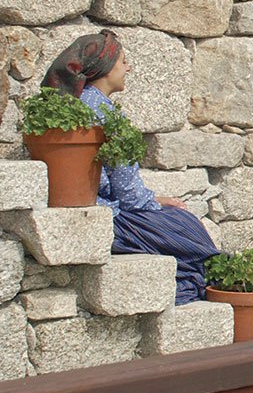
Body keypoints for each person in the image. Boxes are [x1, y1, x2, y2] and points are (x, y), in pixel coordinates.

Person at [42, 30, 218, 304]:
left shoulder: (75, 104)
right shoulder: (105, 113)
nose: (128, 68)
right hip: (112, 217)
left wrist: (155, 198)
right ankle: (213, 283)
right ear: (106, 68)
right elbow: (130, 196)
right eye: (123, 62)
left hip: (94, 205)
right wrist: (156, 203)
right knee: (185, 226)